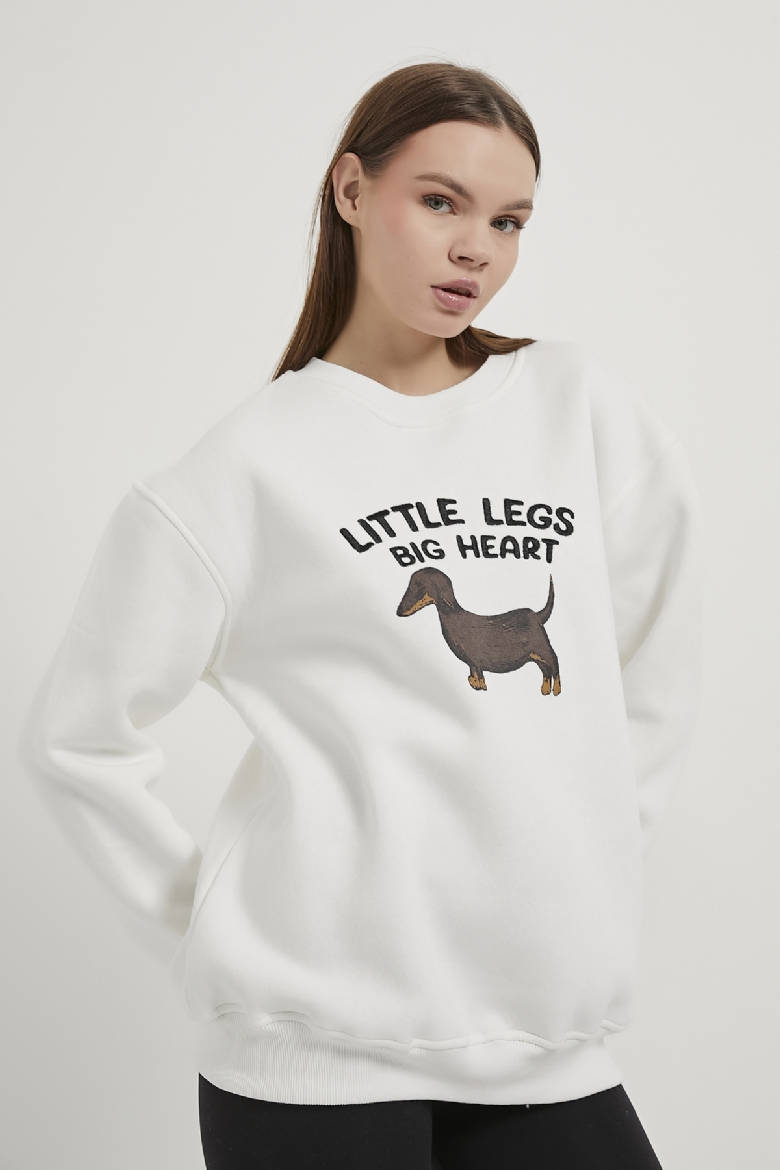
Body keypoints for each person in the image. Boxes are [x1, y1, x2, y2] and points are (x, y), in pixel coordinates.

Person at [18, 61, 702, 1169]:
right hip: (311, 1062)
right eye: (440, 201)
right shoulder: (242, 473)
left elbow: (657, 667)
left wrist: (589, 859)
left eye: (509, 220)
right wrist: (211, 937)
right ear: (350, 190)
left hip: (547, 1043)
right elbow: (77, 738)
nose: (476, 248)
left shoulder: (578, 408)